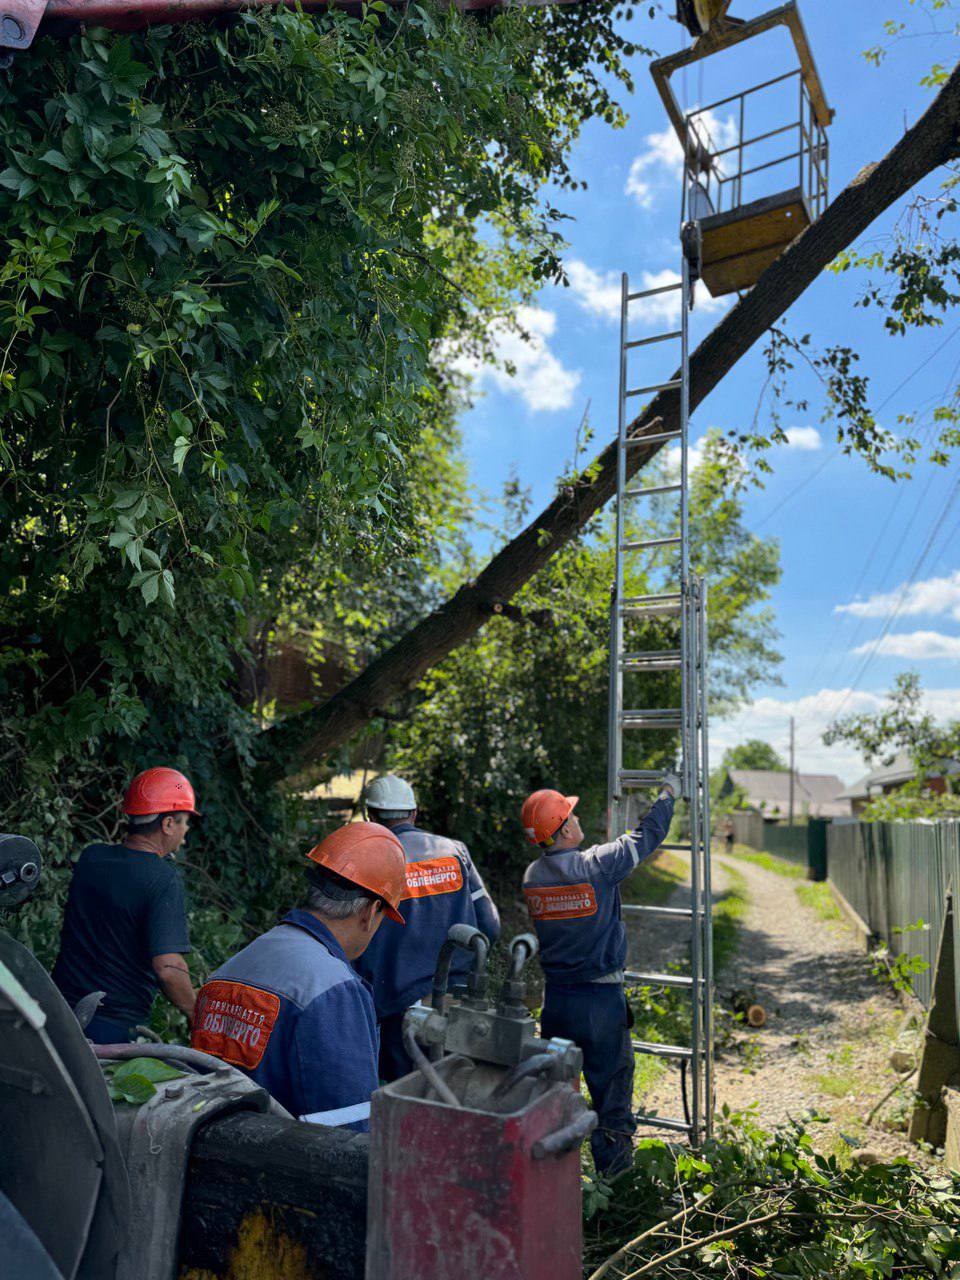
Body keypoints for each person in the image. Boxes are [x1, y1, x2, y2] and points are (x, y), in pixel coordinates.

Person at [192, 822, 406, 1130]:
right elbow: (347, 1134)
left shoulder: (229, 970)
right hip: (282, 1170)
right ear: (372, 911)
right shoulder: (334, 991)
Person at [520, 777, 679, 1177]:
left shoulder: (532, 877)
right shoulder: (596, 865)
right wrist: (668, 795)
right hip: (601, 1004)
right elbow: (646, 836)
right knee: (611, 1102)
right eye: (570, 814)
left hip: (556, 1005)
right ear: (565, 828)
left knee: (556, 1098)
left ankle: (555, 1181)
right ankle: (615, 1187)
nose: (576, 817)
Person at [353, 773, 501, 1081]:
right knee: (456, 1090)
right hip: (456, 1002)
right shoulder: (454, 850)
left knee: (405, 1099)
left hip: (395, 1011)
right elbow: (490, 926)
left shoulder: (366, 862)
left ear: (370, 815)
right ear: (414, 812)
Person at [52, 767, 198, 1044]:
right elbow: (168, 968)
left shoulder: (91, 858)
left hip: (58, 1011)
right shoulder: (162, 879)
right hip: (111, 1028)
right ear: (167, 824)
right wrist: (194, 1012)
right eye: (184, 823)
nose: (185, 832)